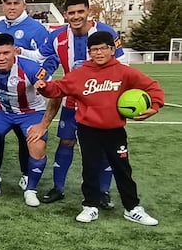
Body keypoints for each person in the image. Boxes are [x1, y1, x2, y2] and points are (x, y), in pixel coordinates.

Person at [33, 31, 164, 225]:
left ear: (112, 49)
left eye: (104, 48)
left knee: (122, 169)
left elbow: (152, 87)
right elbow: (59, 88)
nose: (99, 53)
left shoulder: (124, 72)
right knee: (90, 168)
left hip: (115, 130)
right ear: (89, 52)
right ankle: (90, 206)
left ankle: (132, 208)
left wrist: (155, 106)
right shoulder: (81, 74)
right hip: (88, 130)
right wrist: (44, 87)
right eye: (94, 49)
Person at [35, 0, 125, 205]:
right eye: (71, 13)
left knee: (103, 147)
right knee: (66, 142)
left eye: (80, 12)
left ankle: (103, 193)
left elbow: (122, 65)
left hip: (101, 102)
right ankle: (58, 188)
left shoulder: (106, 32)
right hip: (72, 101)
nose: (76, 16)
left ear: (88, 11)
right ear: (65, 15)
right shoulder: (57, 36)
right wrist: (16, 51)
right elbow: (38, 56)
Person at [0, 33, 52, 207]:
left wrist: (43, 125)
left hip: (31, 112)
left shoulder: (30, 68)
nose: (1, 58)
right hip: (3, 112)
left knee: (37, 144)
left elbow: (56, 94)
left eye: (6, 53)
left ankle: (31, 190)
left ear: (14, 51)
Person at [0, 0, 50, 190]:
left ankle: (26, 174)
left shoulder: (37, 28)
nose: (12, 7)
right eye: (8, 3)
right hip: (2, 92)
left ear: (24, 5)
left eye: (16, 3)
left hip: (27, 92)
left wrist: (42, 79)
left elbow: (48, 56)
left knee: (27, 138)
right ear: (3, 5)